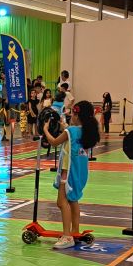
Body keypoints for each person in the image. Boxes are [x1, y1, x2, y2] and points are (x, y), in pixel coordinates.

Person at [42, 101, 100, 249]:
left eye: (72, 114)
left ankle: (67, 236)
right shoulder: (86, 131)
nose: (71, 116)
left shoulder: (71, 131)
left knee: (61, 202)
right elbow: (72, 137)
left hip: (67, 173)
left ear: (77, 115)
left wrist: (45, 129)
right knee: (73, 200)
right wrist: (65, 128)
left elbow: (54, 142)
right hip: (80, 173)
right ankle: (75, 231)